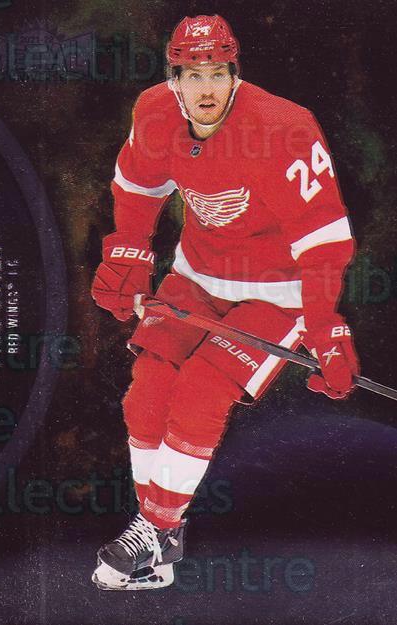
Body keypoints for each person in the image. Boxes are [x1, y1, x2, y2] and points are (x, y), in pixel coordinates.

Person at [90, 14, 359, 590]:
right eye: (193, 75)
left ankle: (154, 529)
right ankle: (160, 549)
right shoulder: (155, 111)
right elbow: (137, 184)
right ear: (175, 80)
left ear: (235, 73)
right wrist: (129, 249)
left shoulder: (283, 127)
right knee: (146, 394)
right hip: (197, 275)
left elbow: (323, 239)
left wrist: (325, 327)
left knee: (200, 392)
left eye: (218, 72)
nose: (206, 88)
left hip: (277, 290)